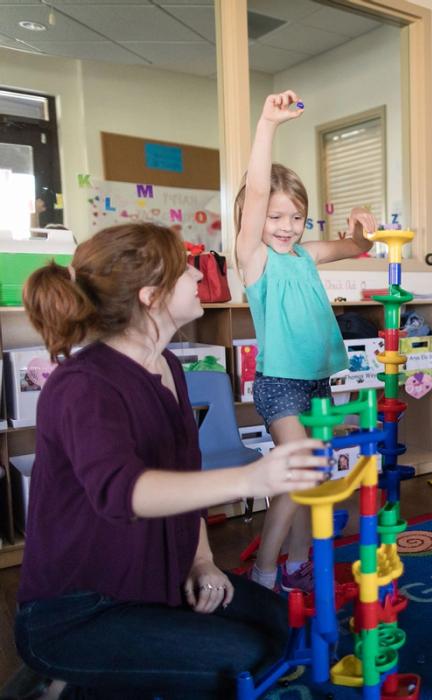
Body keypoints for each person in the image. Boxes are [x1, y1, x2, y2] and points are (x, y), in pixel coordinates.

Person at [14, 223, 328, 698]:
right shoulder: (84, 385)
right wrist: (249, 478)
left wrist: (202, 560)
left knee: (280, 629)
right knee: (240, 661)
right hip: (80, 612)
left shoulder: (169, 366)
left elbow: (184, 472)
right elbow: (127, 491)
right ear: (149, 295)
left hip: (158, 581)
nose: (199, 278)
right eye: (186, 270)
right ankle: (62, 682)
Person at [235, 90, 375, 593]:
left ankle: (296, 564)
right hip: (279, 386)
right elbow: (254, 193)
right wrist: (268, 124)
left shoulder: (306, 256)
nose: (286, 227)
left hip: (318, 385)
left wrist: (361, 220)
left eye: (295, 217)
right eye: (276, 218)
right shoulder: (256, 260)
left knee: (314, 481)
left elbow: (357, 245)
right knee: (301, 473)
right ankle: (264, 572)